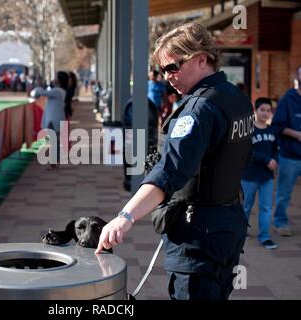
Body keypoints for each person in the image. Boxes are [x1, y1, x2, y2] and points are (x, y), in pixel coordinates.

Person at [96, 23, 254, 300]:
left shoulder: (199, 110)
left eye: (173, 67)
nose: (167, 77)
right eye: (162, 70)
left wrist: (125, 217)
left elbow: (169, 171)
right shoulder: (237, 99)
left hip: (198, 236)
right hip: (229, 225)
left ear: (202, 59)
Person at [241, 98, 278, 249]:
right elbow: (247, 152)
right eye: (262, 110)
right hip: (249, 176)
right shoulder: (249, 130)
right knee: (246, 206)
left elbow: (275, 150)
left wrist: (275, 160)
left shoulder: (272, 131)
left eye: (268, 110)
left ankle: (265, 236)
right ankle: (241, 231)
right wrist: (266, 159)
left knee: (266, 207)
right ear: (255, 111)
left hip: (267, 177)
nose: (265, 113)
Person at [271, 66, 301, 237]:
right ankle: (281, 222)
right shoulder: (287, 99)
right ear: (297, 76)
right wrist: (297, 134)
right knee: (284, 194)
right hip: (290, 156)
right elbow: (277, 126)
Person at [32, 71, 68, 170]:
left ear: (59, 80)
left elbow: (41, 93)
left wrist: (38, 85)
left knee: (53, 141)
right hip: (57, 118)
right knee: (54, 140)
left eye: (55, 77)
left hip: (54, 119)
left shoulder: (56, 91)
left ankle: (54, 163)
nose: (54, 78)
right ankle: (54, 161)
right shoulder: (60, 91)